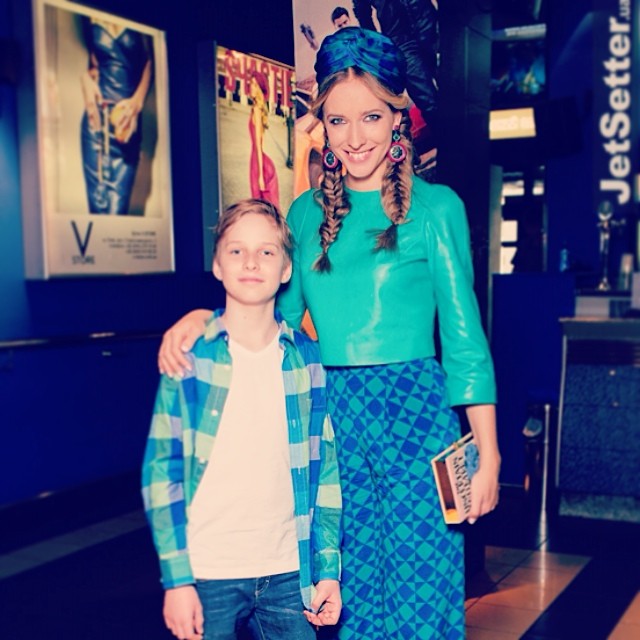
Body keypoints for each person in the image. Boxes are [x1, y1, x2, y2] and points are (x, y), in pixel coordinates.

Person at [158, 27, 500, 640]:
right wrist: (204, 322)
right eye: (338, 120)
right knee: (347, 595)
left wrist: (490, 452)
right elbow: (274, 322)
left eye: (371, 116)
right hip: (333, 420)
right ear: (323, 124)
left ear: (398, 116)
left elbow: (465, 341)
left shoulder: (438, 207)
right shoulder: (306, 214)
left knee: (423, 593)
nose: (355, 137)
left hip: (418, 419)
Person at [142, 199, 342, 640]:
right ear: (217, 264)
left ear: (286, 269)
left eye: (267, 251)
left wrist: (327, 568)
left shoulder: (306, 358)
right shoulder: (190, 357)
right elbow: (162, 472)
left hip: (289, 570)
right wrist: (176, 580)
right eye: (236, 250)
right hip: (208, 570)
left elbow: (325, 470)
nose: (251, 262)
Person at [80, 18, 153, 214]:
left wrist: (137, 103)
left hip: (126, 122)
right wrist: (85, 79)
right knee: (97, 208)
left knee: (117, 209)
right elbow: (93, 65)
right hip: (96, 121)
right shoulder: (89, 17)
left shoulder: (140, 16)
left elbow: (150, 61)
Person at [248, 72, 280, 208]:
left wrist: (260, 175)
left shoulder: (257, 110)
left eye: (255, 85)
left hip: (259, 163)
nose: (251, 87)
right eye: (251, 84)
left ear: (260, 89)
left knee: (260, 205)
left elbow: (258, 143)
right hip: (258, 161)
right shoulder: (257, 109)